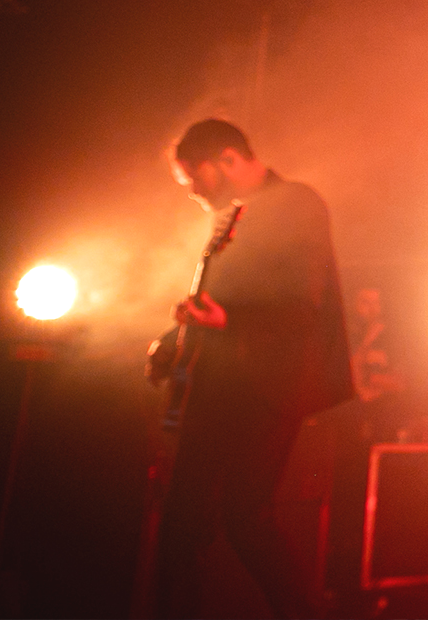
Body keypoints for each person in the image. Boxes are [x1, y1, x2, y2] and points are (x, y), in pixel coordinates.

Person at [151, 119, 353, 618]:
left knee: (244, 519)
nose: (195, 192)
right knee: (186, 524)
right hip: (223, 386)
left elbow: (303, 302)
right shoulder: (238, 214)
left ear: (227, 159)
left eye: (196, 176)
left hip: (266, 389)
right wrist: (176, 339)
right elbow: (224, 302)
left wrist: (228, 319)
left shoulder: (296, 203)